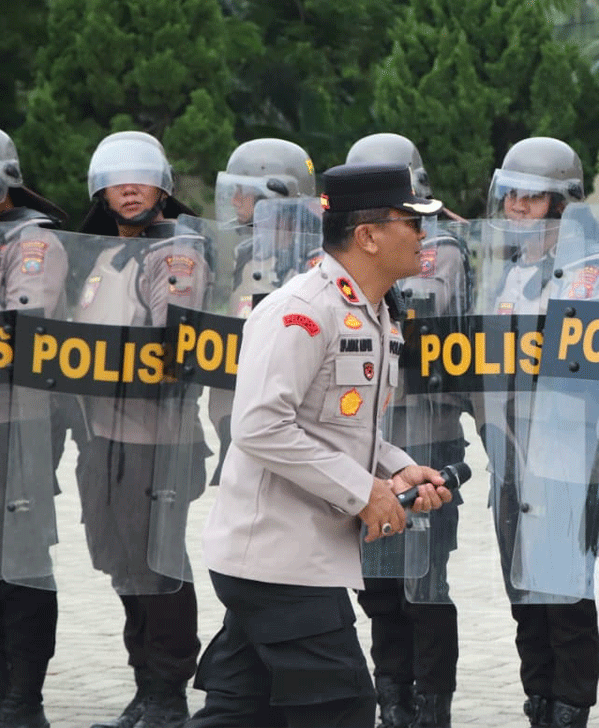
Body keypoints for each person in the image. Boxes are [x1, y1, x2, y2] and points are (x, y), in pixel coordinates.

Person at [187, 163, 453, 728]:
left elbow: (342, 423)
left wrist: (398, 470)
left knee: (242, 710)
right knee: (344, 708)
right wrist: (363, 492)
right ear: (368, 235)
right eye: (412, 221)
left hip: (296, 555)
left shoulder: (374, 310)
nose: (423, 235)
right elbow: (259, 424)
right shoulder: (303, 311)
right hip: (279, 558)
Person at [72, 132, 210, 728]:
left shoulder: (175, 252)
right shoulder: (105, 254)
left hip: (159, 439)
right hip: (102, 437)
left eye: (141, 178)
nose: (129, 189)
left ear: (163, 186)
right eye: (117, 179)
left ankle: (168, 689)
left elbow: (171, 342)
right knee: (121, 563)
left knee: (157, 564)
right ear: (101, 189)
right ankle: (142, 682)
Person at [477, 137, 599, 728]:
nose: (518, 209)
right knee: (522, 589)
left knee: (564, 591)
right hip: (511, 452)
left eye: (533, 198)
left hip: (565, 453)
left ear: (563, 204)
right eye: (512, 197)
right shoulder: (513, 271)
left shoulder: (590, 272)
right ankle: (538, 695)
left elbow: (578, 366)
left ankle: (571, 702)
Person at [345, 133, 467, 728]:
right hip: (366, 437)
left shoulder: (441, 246)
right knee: (376, 582)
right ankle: (390, 695)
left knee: (424, 579)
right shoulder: (344, 251)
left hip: (429, 433)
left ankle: (432, 701)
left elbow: (432, 310)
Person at [0, 125, 68, 728]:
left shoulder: (31, 242)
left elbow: (26, 325)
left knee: (21, 560)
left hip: (18, 421)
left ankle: (24, 696)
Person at [208, 138, 318, 484]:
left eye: (243, 191)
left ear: (276, 196)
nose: (235, 200)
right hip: (242, 419)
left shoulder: (319, 262)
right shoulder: (247, 255)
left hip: (296, 427)